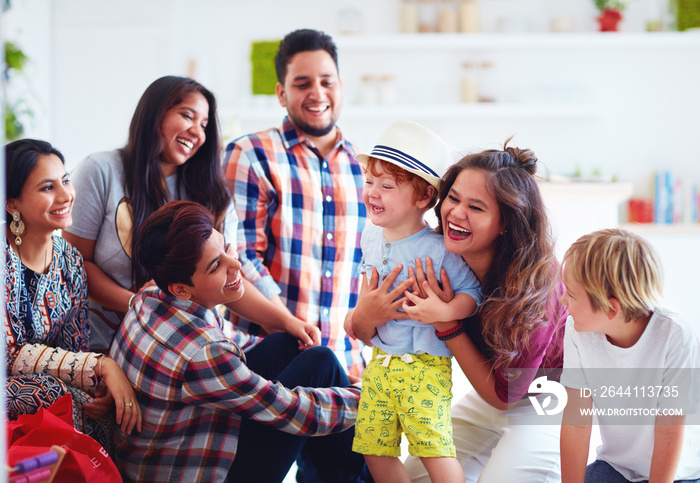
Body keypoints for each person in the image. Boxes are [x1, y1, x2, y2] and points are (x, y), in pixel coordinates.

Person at [348, 139, 569, 482]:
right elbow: (365, 329)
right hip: (493, 393)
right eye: (453, 198)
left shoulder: (535, 286)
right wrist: (366, 315)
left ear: (506, 222)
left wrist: (446, 322)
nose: (456, 213)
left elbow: (505, 396)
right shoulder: (438, 255)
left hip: (550, 397)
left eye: (476, 207)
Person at [109, 200, 372, 482]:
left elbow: (232, 343)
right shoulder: (203, 353)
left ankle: (357, 473)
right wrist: (373, 396)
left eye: (225, 248)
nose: (235, 264)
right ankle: (370, 473)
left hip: (165, 449)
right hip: (197, 471)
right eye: (216, 266)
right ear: (182, 289)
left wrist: (347, 381)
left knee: (287, 345)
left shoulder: (148, 299)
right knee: (320, 365)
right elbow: (291, 410)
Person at [63, 75, 319, 352]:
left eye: (205, 125)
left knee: (313, 359)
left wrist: (287, 322)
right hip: (108, 347)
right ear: (154, 115)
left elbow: (230, 278)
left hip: (194, 346)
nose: (197, 131)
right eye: (187, 116)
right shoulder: (100, 171)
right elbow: (75, 265)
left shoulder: (212, 194)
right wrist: (141, 305)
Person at [223, 28, 367, 376]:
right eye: (302, 83)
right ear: (281, 93)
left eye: (326, 81)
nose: (317, 93)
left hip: (347, 370)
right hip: (267, 360)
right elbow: (241, 254)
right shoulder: (251, 154)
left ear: (341, 87)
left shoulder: (365, 169)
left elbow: (366, 267)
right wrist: (288, 324)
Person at [347, 120, 482, 482]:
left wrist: (445, 311)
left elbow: (473, 293)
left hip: (424, 367)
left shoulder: (439, 250)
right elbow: (365, 290)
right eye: (369, 182)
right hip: (379, 365)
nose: (373, 192)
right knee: (374, 449)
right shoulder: (369, 236)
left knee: (433, 449)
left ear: (423, 198)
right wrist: (360, 314)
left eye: (387, 186)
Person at [3, 139, 142, 453]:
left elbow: (73, 346)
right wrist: (101, 367)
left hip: (46, 383)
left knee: (99, 410)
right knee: (54, 392)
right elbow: (9, 356)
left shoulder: (70, 261)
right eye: (47, 187)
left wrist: (95, 381)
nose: (66, 195)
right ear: (12, 203)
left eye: (65, 180)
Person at [559, 228, 700, 482]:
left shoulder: (675, 335)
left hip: (678, 474)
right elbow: (576, 423)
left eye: (571, 294)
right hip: (616, 468)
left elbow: (669, 433)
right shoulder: (577, 328)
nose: (562, 300)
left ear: (612, 309)